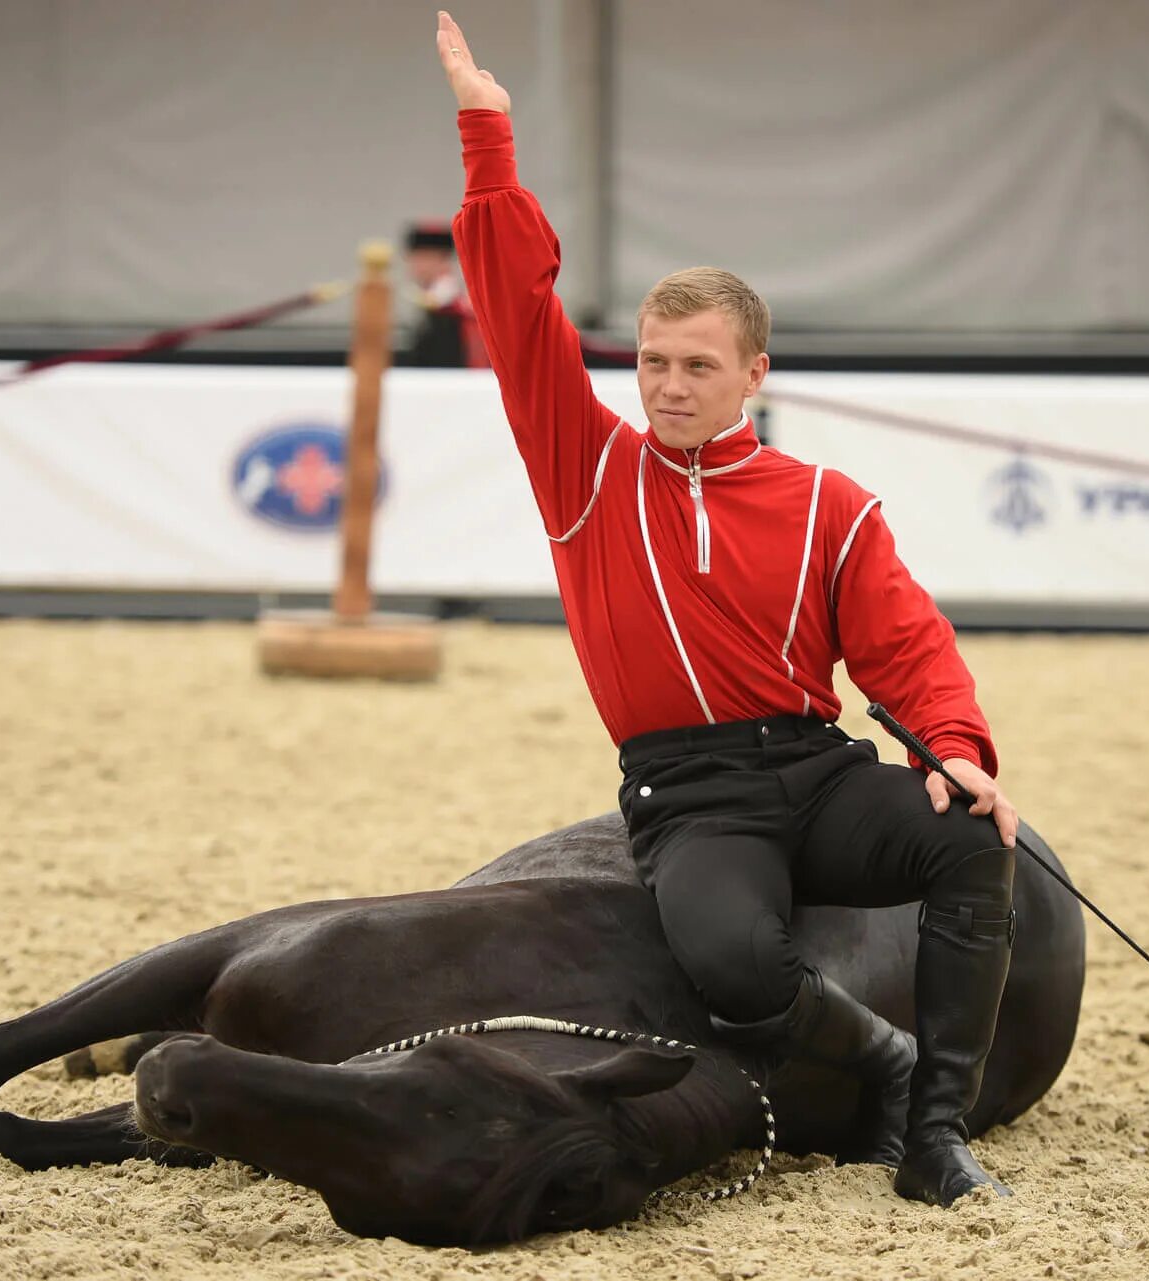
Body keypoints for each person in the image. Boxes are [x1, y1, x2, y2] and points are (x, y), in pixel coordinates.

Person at [435, 12, 1020, 1207]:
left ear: (755, 373)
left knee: (971, 842)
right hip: (689, 794)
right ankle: (883, 1058)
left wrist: (956, 749)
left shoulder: (827, 504)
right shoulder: (587, 471)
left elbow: (906, 646)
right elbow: (515, 312)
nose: (667, 386)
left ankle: (936, 1134)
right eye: (652, 362)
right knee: (733, 965)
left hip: (814, 768)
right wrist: (488, 143)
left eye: (696, 366)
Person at [400, 220, 489, 368]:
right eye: (415, 257)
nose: (416, 264)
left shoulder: (452, 309)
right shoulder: (429, 301)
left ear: (443, 259)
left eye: (424, 257)